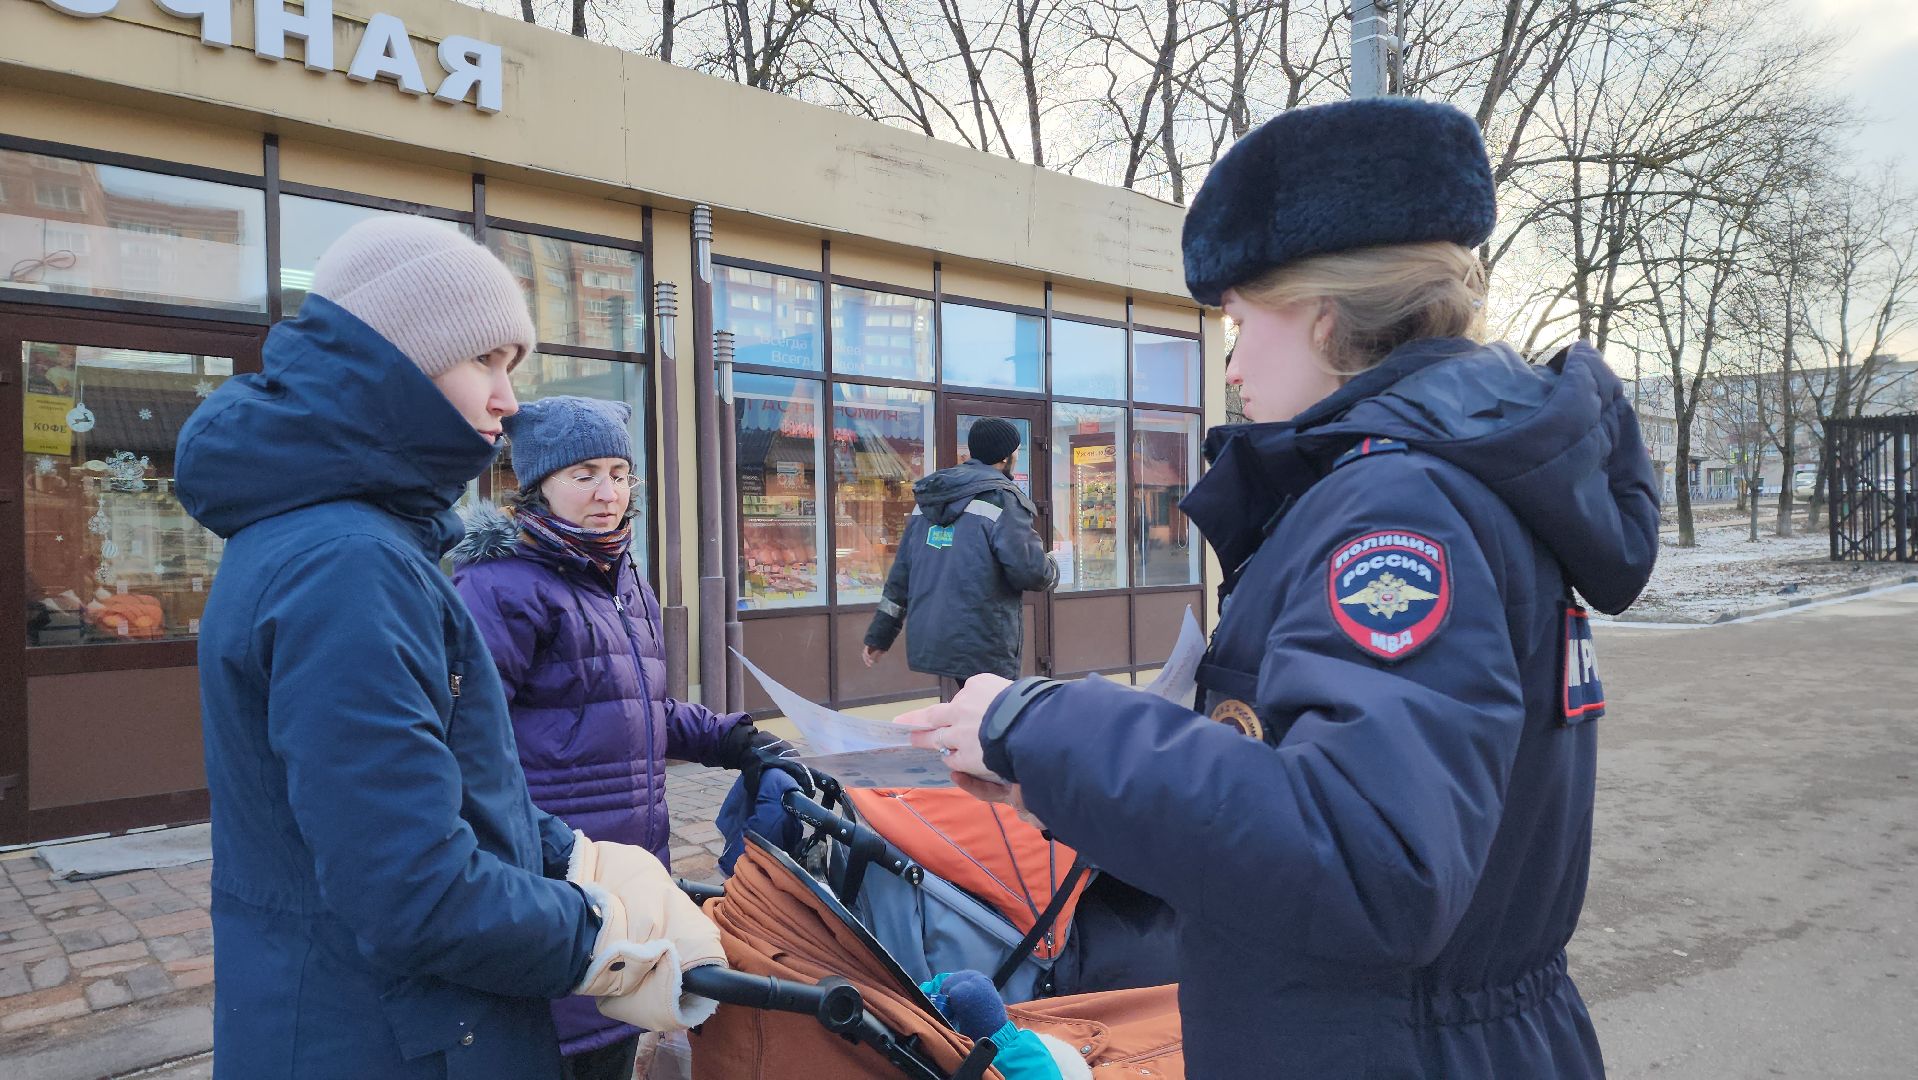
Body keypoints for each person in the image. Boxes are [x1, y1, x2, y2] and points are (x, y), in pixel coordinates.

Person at [905, 97, 1660, 1078]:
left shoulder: (1401, 507)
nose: (1227, 358)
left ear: (1318, 310)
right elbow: (1297, 818)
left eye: (1235, 316)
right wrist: (1044, 771)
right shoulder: (1434, 478)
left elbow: (1371, 859)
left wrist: (1046, 726)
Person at [177, 217, 726, 1079]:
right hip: (386, 1036)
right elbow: (413, 889)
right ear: (393, 364)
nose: (509, 402)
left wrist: (571, 856)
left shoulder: (349, 540)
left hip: (366, 1019)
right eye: (487, 364)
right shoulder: (348, 564)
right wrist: (608, 945)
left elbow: (438, 786)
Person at [451, 395, 801, 1079]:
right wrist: (533, 850)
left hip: (631, 870)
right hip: (555, 877)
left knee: (611, 1038)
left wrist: (735, 741)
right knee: (559, 1048)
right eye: (584, 474)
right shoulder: (499, 588)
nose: (607, 492)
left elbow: (636, 708)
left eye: (619, 472)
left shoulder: (617, 576)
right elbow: (463, 745)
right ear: (539, 483)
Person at [862, 418, 1058, 699]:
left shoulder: (931, 500)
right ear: (1006, 457)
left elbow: (901, 575)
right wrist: (1053, 566)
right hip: (984, 638)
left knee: (968, 709)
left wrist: (879, 635)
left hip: (936, 635)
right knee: (990, 717)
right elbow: (1030, 572)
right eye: (1016, 450)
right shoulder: (1001, 499)